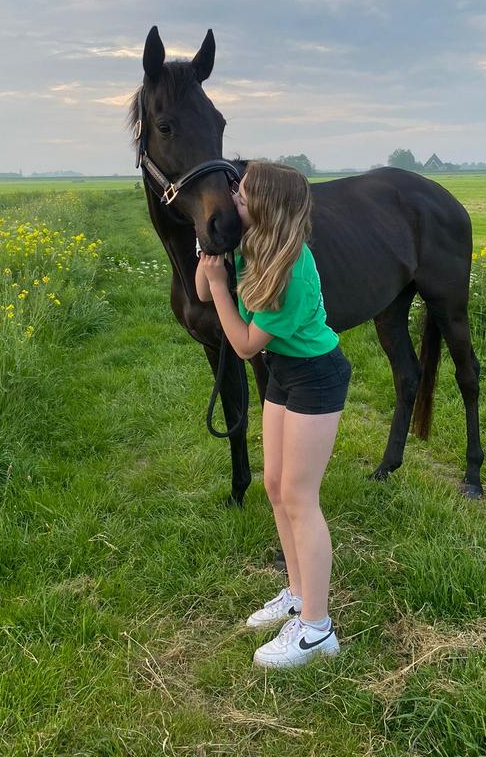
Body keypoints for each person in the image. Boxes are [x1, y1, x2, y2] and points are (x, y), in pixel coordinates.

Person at [196, 161, 352, 669]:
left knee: (300, 497)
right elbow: (202, 291)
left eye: (241, 197)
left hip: (316, 375)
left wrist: (221, 286)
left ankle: (317, 629)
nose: (233, 201)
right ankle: (297, 593)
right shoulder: (254, 245)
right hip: (284, 370)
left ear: (266, 210)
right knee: (274, 485)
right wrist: (210, 248)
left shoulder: (291, 270)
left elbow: (244, 344)